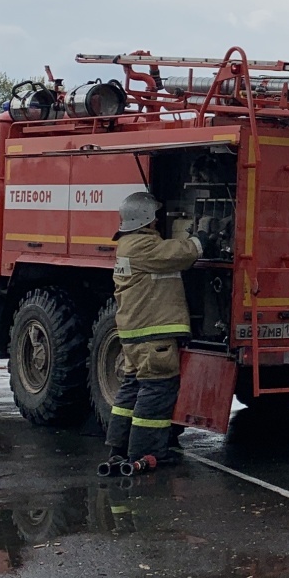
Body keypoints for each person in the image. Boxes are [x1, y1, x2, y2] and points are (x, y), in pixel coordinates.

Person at [103, 192, 202, 474]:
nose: (158, 220)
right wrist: (202, 237)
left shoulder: (126, 245)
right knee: (157, 390)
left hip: (135, 333)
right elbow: (181, 254)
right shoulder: (142, 246)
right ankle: (148, 453)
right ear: (145, 219)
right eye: (154, 216)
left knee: (132, 387)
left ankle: (118, 448)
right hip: (153, 335)